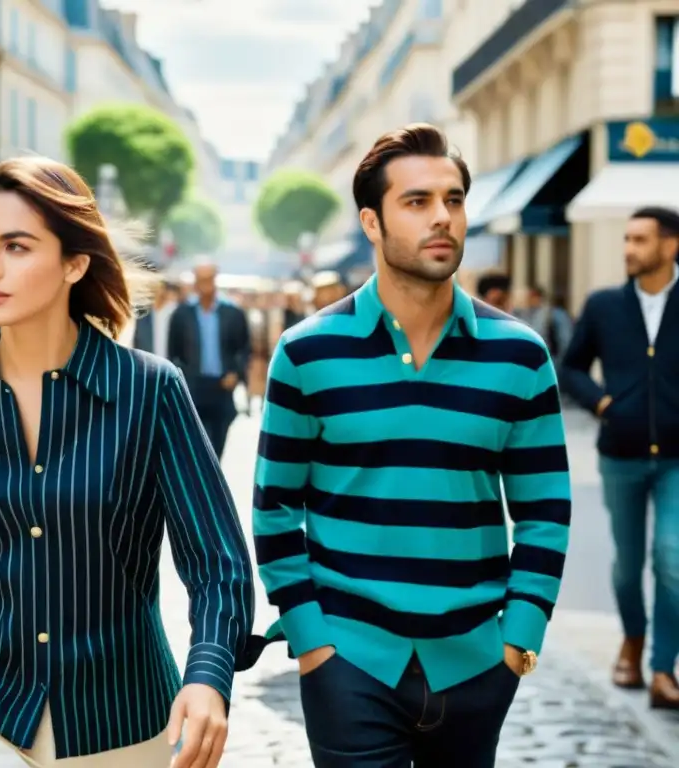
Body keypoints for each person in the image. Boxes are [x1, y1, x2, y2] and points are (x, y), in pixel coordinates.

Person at [0, 156, 254, 768]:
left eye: (17, 246)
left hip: (122, 719)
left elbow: (217, 560)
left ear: (74, 263)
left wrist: (210, 673)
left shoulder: (149, 392)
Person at [249, 124, 571, 766]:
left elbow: (546, 509)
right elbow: (274, 505)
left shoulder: (521, 355)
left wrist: (520, 639)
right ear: (372, 222)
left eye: (452, 200)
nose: (443, 218)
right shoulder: (307, 351)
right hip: (351, 660)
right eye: (417, 202)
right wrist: (312, 639)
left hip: (478, 660)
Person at [559, 206, 679, 709]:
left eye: (640, 240)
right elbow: (571, 367)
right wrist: (603, 402)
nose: (628, 248)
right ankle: (632, 638)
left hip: (678, 457)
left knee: (672, 559)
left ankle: (661, 667)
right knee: (628, 567)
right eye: (626, 239)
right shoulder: (605, 304)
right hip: (621, 455)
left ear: (670, 246)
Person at [166, 263, 250, 458]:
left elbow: (244, 348)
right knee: (195, 447)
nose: (205, 285)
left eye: (209, 279)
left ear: (215, 279)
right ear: (195, 282)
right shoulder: (182, 314)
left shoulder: (232, 313)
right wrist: (183, 378)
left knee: (216, 448)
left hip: (222, 386)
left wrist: (236, 373)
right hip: (193, 387)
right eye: (201, 280)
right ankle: (198, 485)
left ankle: (211, 483)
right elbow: (174, 353)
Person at [131, 278, 179, 357]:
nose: (157, 292)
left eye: (159, 287)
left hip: (170, 363)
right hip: (147, 363)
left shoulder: (174, 312)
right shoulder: (141, 314)